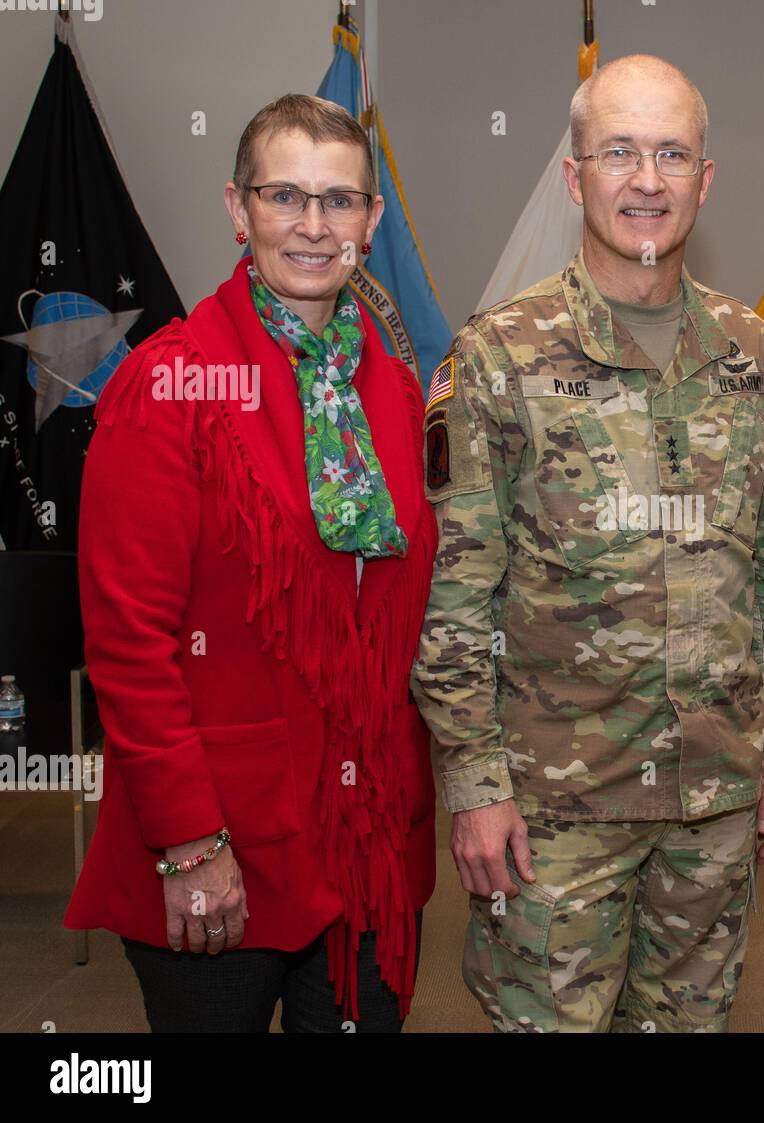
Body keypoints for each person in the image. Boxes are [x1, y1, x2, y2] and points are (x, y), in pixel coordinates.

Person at [412, 54, 764, 1032]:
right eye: (620, 153)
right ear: (574, 175)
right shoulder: (496, 356)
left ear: (704, 179)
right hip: (553, 807)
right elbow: (460, 592)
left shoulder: (751, 351)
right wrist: (471, 784)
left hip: (713, 795)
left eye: (672, 154)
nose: (647, 180)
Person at [64, 94, 438, 1032]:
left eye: (341, 201)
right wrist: (190, 842)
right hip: (225, 841)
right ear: (238, 210)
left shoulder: (392, 388)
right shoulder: (170, 381)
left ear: (372, 220)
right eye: (286, 196)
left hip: (369, 847)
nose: (315, 226)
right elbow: (128, 642)